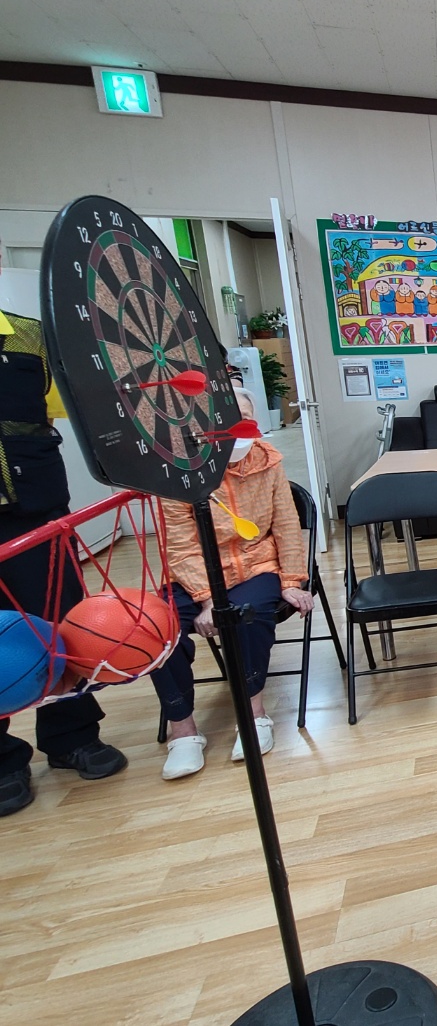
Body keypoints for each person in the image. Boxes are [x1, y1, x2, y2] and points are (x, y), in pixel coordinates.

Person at [0, 232, 129, 816]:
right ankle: (2, 760)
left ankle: (72, 735)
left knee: (60, 622)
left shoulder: (27, 337)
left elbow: (59, 414)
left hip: (34, 512)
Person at [151, 389, 312, 780]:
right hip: (198, 573)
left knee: (245, 615)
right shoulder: (178, 471)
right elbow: (180, 546)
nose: (236, 425)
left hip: (258, 566)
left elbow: (287, 524)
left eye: (244, 416)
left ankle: (253, 716)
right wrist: (207, 598)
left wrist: (292, 579)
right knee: (154, 625)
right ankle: (183, 730)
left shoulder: (268, 461)